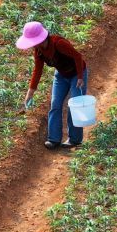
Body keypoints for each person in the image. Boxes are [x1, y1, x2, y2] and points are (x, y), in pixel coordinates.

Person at [18, 21, 89, 150]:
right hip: (61, 75)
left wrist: (80, 77)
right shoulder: (39, 51)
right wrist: (30, 92)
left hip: (76, 74)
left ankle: (75, 139)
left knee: (75, 104)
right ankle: (54, 139)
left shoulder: (59, 44)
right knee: (55, 104)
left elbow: (78, 56)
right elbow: (37, 70)